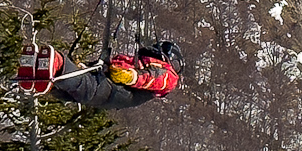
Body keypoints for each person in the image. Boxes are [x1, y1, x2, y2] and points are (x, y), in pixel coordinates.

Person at [17, 41, 183, 110]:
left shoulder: (166, 73)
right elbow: (153, 76)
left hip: (119, 89)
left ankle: (55, 67)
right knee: (78, 91)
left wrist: (131, 77)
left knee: (87, 88)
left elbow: (155, 78)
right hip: (114, 87)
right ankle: (46, 74)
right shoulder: (141, 62)